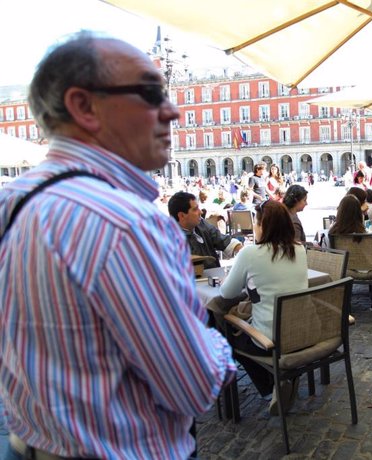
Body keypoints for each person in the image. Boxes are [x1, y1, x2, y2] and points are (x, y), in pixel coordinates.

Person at [0, 32, 236, 459]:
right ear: (84, 106)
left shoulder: (12, 201)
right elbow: (197, 388)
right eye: (150, 93)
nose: (174, 111)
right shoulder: (127, 224)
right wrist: (216, 342)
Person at [220, 200, 307, 415]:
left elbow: (227, 293)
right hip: (301, 332)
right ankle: (282, 377)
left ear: (264, 226)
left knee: (229, 335)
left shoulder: (250, 254)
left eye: (257, 222)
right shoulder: (299, 249)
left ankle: (268, 387)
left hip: (269, 338)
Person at [329, 195, 372, 311]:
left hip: (345, 269)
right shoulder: (364, 233)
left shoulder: (333, 233)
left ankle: (345, 303)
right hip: (370, 269)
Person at [168, 191, 243, 269]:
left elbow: (223, 240)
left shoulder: (201, 224)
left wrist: (242, 250)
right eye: (195, 209)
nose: (200, 212)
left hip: (214, 277)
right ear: (182, 215)